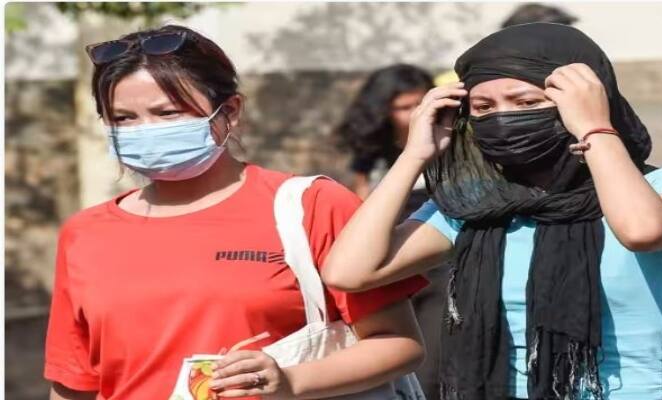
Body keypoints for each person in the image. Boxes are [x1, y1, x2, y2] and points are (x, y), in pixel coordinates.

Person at [44, 25, 428, 400]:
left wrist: (291, 382)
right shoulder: (84, 233)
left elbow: (398, 343)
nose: (145, 130)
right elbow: (73, 384)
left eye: (168, 113)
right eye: (123, 118)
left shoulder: (311, 205)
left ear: (230, 111)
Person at [323, 23, 662, 400]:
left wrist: (595, 127)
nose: (503, 118)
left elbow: (642, 231)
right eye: (484, 108)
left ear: (583, 100)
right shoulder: (477, 205)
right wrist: (414, 155)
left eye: (527, 103)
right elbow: (349, 272)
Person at [335, 64, 445, 399]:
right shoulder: (373, 154)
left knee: (432, 364)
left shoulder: (444, 143)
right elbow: (362, 203)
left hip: (434, 262)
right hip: (385, 260)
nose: (412, 114)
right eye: (402, 107)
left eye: (418, 104)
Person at [336, 63, 433, 204]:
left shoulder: (447, 139)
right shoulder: (371, 147)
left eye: (421, 104)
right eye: (404, 108)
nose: (416, 112)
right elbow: (362, 191)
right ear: (383, 110)